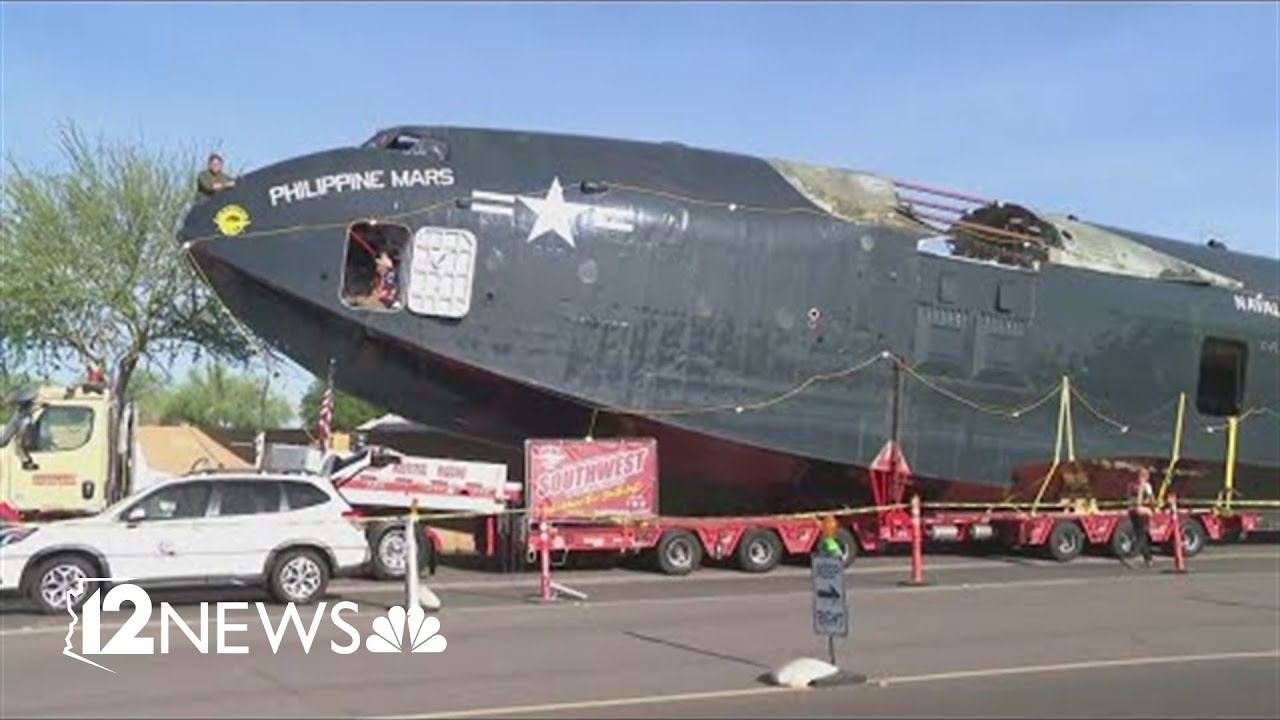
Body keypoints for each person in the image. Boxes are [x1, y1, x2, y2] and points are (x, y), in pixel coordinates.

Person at [1126, 468, 1156, 568]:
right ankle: (1141, 557)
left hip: (1138, 512)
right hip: (1138, 512)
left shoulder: (1137, 486)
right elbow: (1133, 499)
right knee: (1141, 535)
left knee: (1141, 535)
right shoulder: (1140, 486)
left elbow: (1151, 500)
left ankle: (1143, 557)